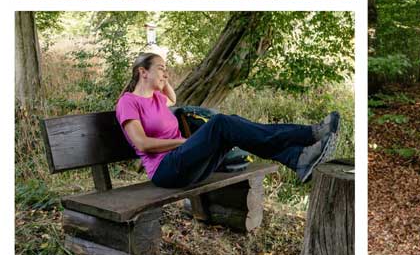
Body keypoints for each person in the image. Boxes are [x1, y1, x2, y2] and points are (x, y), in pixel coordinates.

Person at [115, 52, 339, 189]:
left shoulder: (157, 98)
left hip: (187, 166)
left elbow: (172, 97)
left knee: (233, 125)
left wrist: (161, 78)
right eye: (161, 69)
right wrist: (184, 143)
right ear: (143, 72)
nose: (166, 74)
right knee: (222, 123)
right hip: (166, 171)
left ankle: (296, 157)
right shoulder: (128, 103)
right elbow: (142, 144)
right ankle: (308, 135)